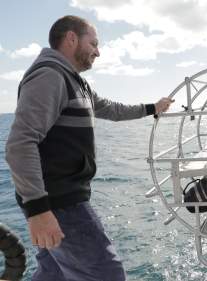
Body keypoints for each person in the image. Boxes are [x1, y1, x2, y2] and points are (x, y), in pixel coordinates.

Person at [5, 15, 174, 281]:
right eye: (93, 43)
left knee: (54, 273)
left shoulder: (75, 82)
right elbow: (19, 144)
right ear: (71, 38)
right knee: (107, 274)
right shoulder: (49, 76)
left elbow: (112, 109)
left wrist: (153, 107)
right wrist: (38, 210)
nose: (98, 51)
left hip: (64, 199)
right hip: (60, 203)